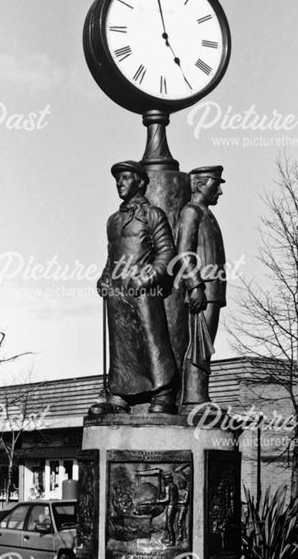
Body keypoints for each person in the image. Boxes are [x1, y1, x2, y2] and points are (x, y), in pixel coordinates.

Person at [91, 161, 178, 415]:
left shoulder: (153, 215)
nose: (120, 183)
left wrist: (148, 277)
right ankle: (120, 395)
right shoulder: (113, 221)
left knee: (152, 341)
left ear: (140, 181)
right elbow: (111, 257)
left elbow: (166, 252)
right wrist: (105, 278)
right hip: (118, 294)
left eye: (126, 177)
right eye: (117, 179)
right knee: (121, 346)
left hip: (144, 292)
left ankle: (163, 392)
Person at [173, 165, 227, 409]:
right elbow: (184, 252)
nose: (219, 191)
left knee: (205, 343)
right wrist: (195, 285)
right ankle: (194, 397)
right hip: (203, 288)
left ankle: (199, 393)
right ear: (198, 185)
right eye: (215, 185)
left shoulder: (205, 213)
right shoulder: (191, 212)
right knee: (199, 342)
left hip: (212, 288)